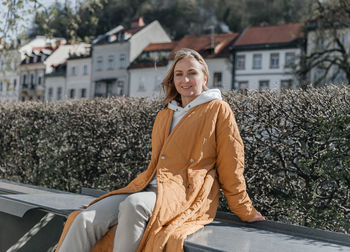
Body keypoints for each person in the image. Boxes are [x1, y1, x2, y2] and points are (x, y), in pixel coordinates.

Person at [56, 48, 264, 252]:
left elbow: (231, 162)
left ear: (204, 77)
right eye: (179, 74)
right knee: (85, 218)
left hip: (185, 191)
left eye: (192, 73)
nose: (185, 80)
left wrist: (243, 208)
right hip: (148, 186)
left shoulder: (218, 109)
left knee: (134, 205)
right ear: (172, 80)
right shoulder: (165, 115)